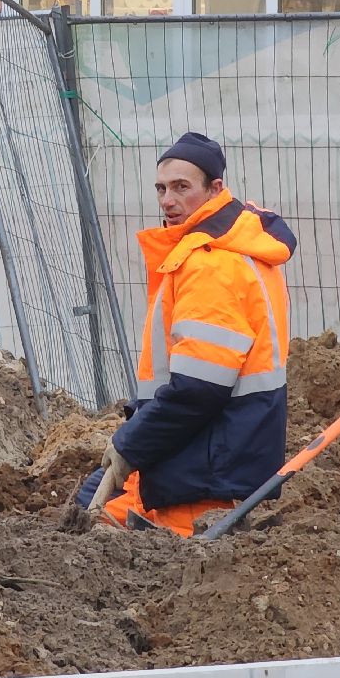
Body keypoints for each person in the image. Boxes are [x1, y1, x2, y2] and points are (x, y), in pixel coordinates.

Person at [76, 131, 295, 537]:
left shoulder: (212, 263)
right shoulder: (228, 249)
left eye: (181, 187)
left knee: (101, 536)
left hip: (204, 473)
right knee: (86, 503)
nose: (167, 201)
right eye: (161, 188)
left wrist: (131, 443)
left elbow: (198, 388)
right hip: (208, 455)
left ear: (215, 189)